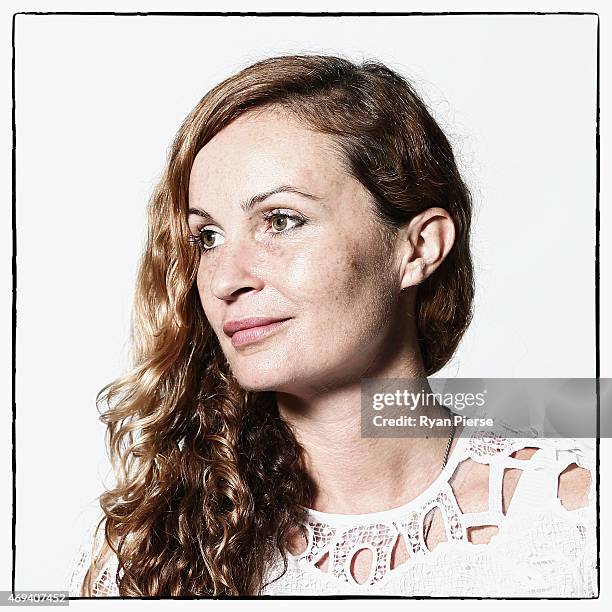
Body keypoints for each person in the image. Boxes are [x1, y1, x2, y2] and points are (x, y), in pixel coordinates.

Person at [67, 54, 596, 597]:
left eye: (281, 221)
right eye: (208, 237)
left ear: (418, 247)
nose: (225, 279)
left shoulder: (575, 525)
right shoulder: (145, 553)